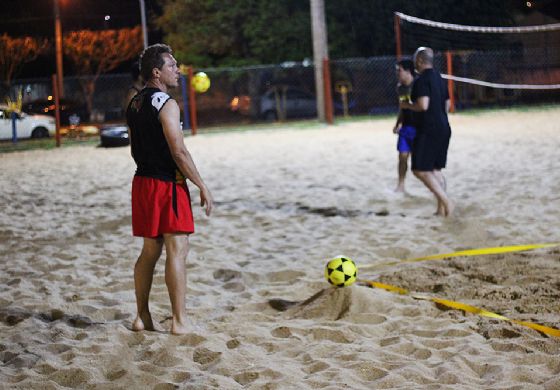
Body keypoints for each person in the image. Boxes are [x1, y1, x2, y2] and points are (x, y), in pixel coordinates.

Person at [126, 43, 214, 335]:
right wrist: (201, 185)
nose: (177, 70)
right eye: (172, 65)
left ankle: (142, 317)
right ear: (157, 72)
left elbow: (135, 147)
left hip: (142, 182)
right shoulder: (167, 103)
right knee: (177, 249)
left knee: (150, 250)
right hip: (167, 184)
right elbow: (179, 152)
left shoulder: (135, 103)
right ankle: (179, 321)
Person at [400, 47, 453, 216]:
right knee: (435, 170)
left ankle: (447, 202)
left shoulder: (421, 80)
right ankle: (440, 209)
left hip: (428, 129)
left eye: (416, 60)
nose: (415, 63)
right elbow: (447, 105)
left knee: (420, 170)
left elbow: (423, 105)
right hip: (444, 127)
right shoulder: (440, 78)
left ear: (421, 61)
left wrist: (407, 105)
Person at [392, 59, 416, 193]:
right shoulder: (400, 88)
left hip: (419, 127)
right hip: (406, 127)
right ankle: (401, 185)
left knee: (420, 163)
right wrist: (397, 123)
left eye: (399, 70)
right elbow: (402, 107)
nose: (397, 73)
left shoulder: (418, 86)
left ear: (408, 71)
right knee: (402, 157)